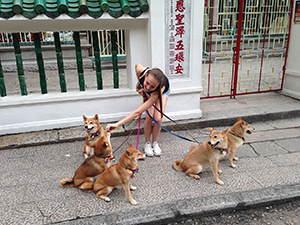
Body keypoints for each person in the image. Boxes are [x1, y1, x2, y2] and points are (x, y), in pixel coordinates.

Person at [106, 63, 170, 157]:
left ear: (156, 86)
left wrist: (117, 124)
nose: (148, 87)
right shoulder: (141, 71)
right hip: (150, 89)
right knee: (149, 116)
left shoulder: (158, 90)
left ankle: (155, 142)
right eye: (147, 83)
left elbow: (138, 111)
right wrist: (141, 86)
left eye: (152, 86)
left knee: (158, 118)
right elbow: (137, 65)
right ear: (146, 75)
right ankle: (147, 143)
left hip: (162, 92)